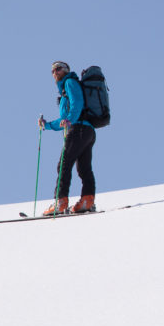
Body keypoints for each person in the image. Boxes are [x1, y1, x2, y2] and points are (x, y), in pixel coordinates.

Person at [38, 61, 97, 214]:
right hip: (87, 130)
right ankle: (87, 201)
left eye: (58, 69)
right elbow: (64, 120)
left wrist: (70, 119)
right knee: (83, 168)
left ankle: (61, 202)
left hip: (79, 130)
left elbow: (77, 103)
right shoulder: (65, 91)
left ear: (65, 70)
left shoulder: (70, 82)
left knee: (64, 163)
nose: (54, 72)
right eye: (52, 71)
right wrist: (47, 125)